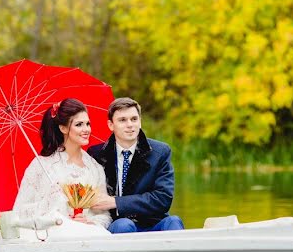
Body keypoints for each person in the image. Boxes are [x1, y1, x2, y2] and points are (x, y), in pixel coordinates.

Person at [12, 98, 112, 229]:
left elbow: (104, 215)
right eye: (79, 124)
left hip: (87, 235)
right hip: (51, 236)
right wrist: (49, 201)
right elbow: (19, 213)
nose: (86, 129)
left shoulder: (94, 168)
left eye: (88, 124)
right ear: (63, 128)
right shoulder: (41, 165)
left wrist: (89, 222)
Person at [89, 97, 184, 233]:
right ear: (111, 125)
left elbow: (163, 199)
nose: (130, 124)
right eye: (122, 120)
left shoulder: (160, 152)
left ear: (140, 122)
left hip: (153, 223)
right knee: (124, 225)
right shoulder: (97, 154)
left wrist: (116, 202)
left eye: (134, 119)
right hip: (118, 224)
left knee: (174, 221)